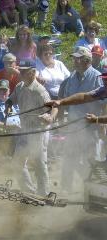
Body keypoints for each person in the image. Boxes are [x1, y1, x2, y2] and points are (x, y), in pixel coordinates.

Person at [45, 47, 103, 193]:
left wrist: (101, 125)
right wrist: (55, 119)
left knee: (91, 161)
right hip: (72, 127)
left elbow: (104, 105)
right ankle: (66, 190)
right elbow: (61, 101)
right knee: (69, 159)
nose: (75, 61)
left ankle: (92, 192)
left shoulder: (98, 78)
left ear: (86, 60)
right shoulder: (70, 78)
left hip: (90, 128)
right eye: (74, 58)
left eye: (78, 58)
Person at [6, 59, 54, 196]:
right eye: (20, 70)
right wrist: (8, 104)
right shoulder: (20, 87)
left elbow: (52, 108)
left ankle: (44, 194)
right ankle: (29, 190)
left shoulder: (40, 91)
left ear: (33, 73)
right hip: (25, 129)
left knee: (39, 162)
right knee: (17, 162)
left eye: (24, 71)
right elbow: (11, 99)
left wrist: (48, 117)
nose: (21, 73)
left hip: (38, 131)